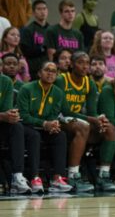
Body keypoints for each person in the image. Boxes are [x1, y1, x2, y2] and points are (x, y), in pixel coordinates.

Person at [55, 51, 115, 193]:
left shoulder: (89, 83)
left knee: (110, 128)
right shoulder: (61, 80)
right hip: (58, 118)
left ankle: (103, 175)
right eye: (80, 63)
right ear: (71, 64)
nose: (85, 67)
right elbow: (65, 110)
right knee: (83, 126)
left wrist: (99, 120)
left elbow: (92, 112)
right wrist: (92, 119)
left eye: (87, 63)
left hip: (78, 120)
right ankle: (73, 175)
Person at [17, 62, 73, 193]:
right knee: (34, 136)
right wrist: (44, 124)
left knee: (60, 135)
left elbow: (54, 114)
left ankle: (57, 178)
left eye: (54, 71)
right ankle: (35, 177)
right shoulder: (26, 89)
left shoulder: (58, 93)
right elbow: (23, 115)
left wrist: (53, 124)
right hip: (26, 126)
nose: (50, 73)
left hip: (44, 127)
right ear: (39, 73)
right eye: (47, 70)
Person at [0, 69, 33, 194]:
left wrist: (10, 115)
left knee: (17, 126)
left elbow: (6, 110)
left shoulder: (5, 81)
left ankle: (17, 176)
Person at [20, 0, 49, 79]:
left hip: (50, 69)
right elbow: (25, 51)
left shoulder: (51, 30)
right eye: (39, 9)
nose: (42, 12)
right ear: (33, 13)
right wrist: (42, 49)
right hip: (34, 70)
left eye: (44, 8)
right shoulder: (28, 30)